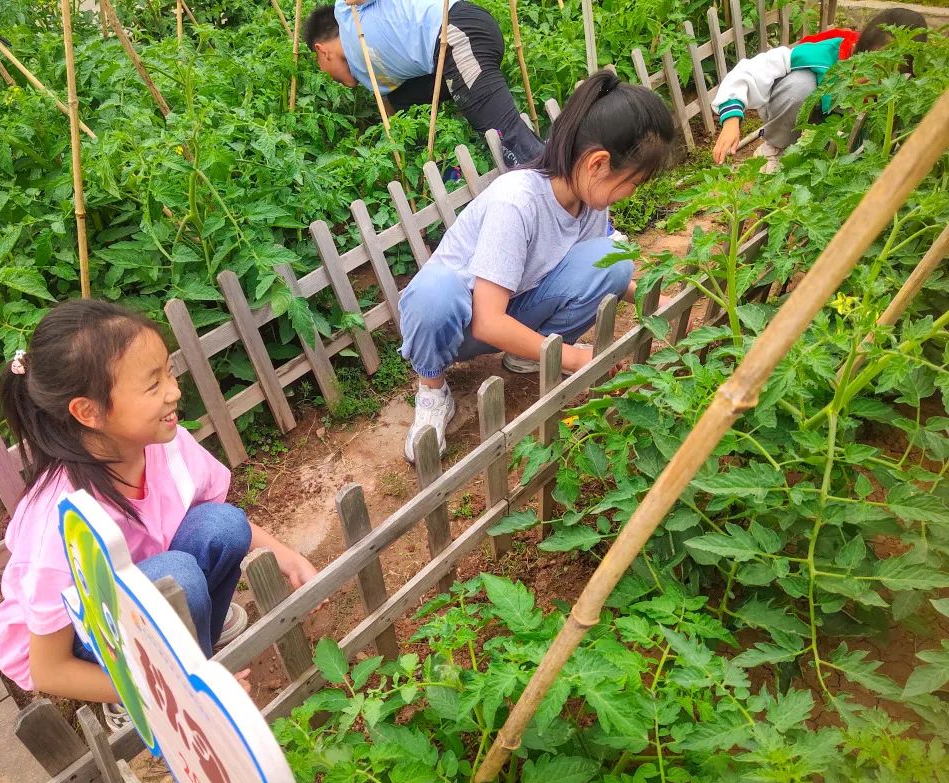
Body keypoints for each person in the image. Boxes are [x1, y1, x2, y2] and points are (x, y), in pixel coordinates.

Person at [0, 299, 317, 726]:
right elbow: (48, 669)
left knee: (223, 525)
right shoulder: (60, 520)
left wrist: (283, 554)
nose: (174, 391)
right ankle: (138, 692)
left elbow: (214, 519)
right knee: (175, 578)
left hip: (147, 584)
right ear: (89, 411)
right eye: (152, 385)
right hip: (85, 639)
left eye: (169, 371)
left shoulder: (166, 444)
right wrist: (178, 688)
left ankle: (197, 643)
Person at [397, 71, 675, 462]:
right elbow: (487, 322)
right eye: (634, 182)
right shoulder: (517, 201)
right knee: (433, 293)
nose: (633, 192)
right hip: (460, 326)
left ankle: (530, 353)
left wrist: (655, 301)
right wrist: (574, 358)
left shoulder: (587, 201)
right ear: (598, 164)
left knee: (614, 263)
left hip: (515, 308)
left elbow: (598, 271)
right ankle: (432, 390)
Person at [304, 0, 544, 167]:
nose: (325, 74)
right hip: (445, 60)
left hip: (455, 32)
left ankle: (553, 183)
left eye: (319, 64)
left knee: (509, 141)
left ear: (321, 50)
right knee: (400, 97)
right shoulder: (370, 76)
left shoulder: (346, 12)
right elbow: (392, 111)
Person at [711, 7, 927, 170]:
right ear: (858, 49)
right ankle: (776, 147)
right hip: (800, 114)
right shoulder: (825, 54)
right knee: (799, 85)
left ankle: (842, 157)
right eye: (872, 65)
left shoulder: (910, 87)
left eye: (889, 71)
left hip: (842, 131)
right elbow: (752, 70)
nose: (874, 79)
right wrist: (731, 121)